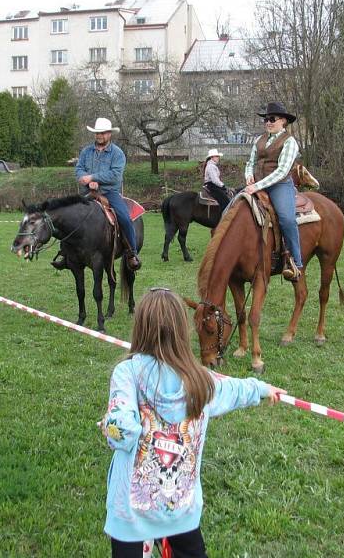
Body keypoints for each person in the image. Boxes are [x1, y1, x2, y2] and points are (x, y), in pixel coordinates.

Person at [100, 288, 285, 558]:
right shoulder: (202, 380)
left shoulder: (126, 373)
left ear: (140, 326)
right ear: (180, 329)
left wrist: (110, 423)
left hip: (131, 514)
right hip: (181, 508)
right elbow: (233, 389)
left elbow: (122, 432)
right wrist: (260, 388)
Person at [244, 101, 303, 281]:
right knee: (231, 206)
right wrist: (248, 176)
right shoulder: (259, 140)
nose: (268, 122)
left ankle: (296, 262)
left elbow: (282, 171)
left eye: (272, 119)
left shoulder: (290, 142)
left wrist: (257, 186)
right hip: (256, 183)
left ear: (283, 121)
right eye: (266, 119)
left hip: (279, 185)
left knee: (286, 218)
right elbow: (250, 162)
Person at [75, 117, 141, 270]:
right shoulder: (86, 151)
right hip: (87, 191)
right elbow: (79, 169)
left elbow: (115, 174)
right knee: (69, 213)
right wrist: (85, 180)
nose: (100, 135)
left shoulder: (117, 154)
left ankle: (132, 253)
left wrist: (93, 177)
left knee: (124, 217)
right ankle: (66, 252)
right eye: (98, 133)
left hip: (109, 192)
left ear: (110, 134)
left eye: (103, 133)